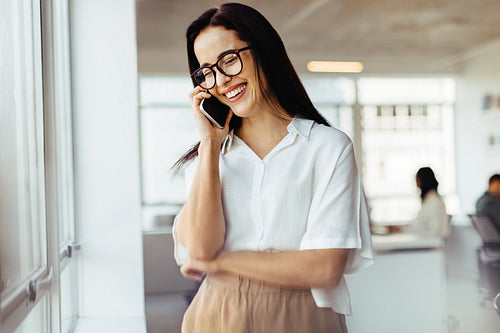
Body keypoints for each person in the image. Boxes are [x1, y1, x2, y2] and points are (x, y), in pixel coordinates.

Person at [172, 3, 373, 332]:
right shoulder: (207, 159)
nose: (222, 81)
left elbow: (324, 268)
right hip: (217, 313)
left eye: (229, 60)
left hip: (303, 315)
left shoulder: (328, 148)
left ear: (262, 51)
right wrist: (209, 144)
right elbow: (199, 247)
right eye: (207, 71)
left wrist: (219, 262)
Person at [387, 167, 448, 238]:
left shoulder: (434, 202)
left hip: (428, 242)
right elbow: (419, 225)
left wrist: (402, 230)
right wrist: (401, 229)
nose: (417, 185)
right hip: (425, 240)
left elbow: (431, 232)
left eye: (417, 181)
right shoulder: (430, 200)